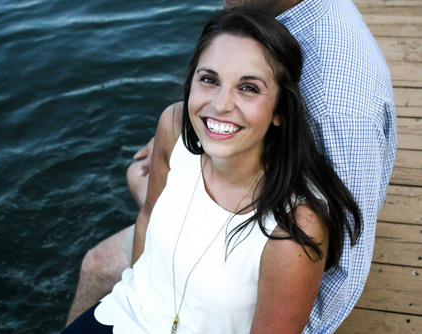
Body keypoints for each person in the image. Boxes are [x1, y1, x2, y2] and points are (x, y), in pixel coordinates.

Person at [67, 0, 397, 332]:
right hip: (127, 316)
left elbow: (339, 276)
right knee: (95, 266)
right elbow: (149, 220)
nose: (221, 105)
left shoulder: (296, 224)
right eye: (209, 79)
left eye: (249, 88)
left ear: (281, 111)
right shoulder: (173, 126)